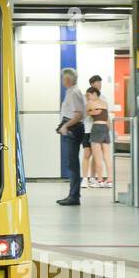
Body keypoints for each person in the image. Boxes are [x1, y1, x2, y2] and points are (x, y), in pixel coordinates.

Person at [56, 69, 85, 205]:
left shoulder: (74, 93)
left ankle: (74, 196)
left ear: (68, 79)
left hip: (73, 129)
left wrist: (66, 126)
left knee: (72, 164)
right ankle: (73, 195)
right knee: (72, 163)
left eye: (63, 78)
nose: (62, 81)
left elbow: (78, 114)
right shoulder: (72, 92)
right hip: (73, 128)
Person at [85, 86, 112, 187]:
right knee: (107, 156)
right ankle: (109, 180)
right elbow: (106, 117)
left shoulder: (90, 103)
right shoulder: (104, 104)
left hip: (96, 128)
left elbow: (86, 113)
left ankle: (99, 180)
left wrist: (91, 111)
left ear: (94, 94)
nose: (87, 97)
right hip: (105, 128)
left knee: (97, 157)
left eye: (89, 95)